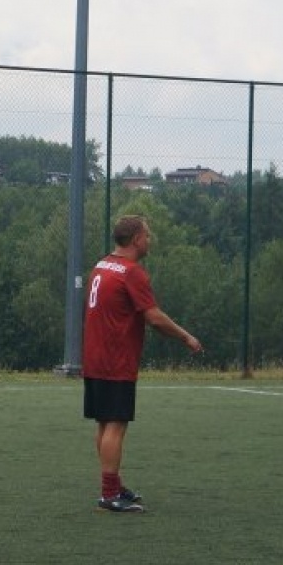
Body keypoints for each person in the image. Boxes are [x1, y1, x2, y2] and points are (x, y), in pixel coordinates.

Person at [82, 214, 203, 512]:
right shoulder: (131, 272)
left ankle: (113, 485)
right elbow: (154, 317)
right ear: (136, 239)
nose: (149, 240)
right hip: (115, 359)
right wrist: (186, 337)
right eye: (147, 235)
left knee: (104, 423)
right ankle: (109, 495)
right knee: (116, 424)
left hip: (95, 356)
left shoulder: (101, 265)